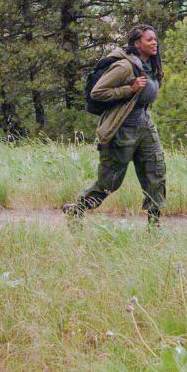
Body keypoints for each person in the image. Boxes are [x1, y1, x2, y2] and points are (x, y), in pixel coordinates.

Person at [63, 25, 167, 225]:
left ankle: (154, 226)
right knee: (110, 181)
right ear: (137, 44)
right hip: (122, 128)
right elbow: (97, 92)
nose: (154, 43)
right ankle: (77, 210)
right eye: (149, 40)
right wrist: (129, 88)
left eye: (155, 39)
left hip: (145, 124)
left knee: (156, 173)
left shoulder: (151, 65)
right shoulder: (124, 67)